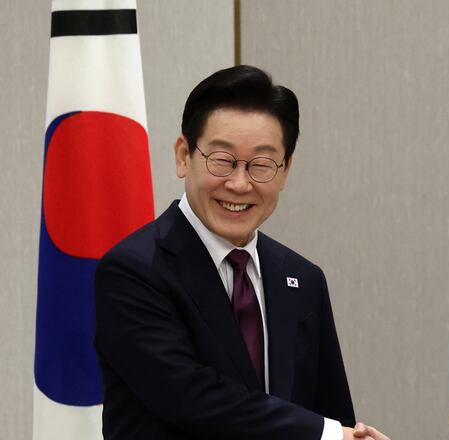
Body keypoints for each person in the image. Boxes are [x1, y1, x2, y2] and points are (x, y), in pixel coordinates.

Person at [95, 65, 388, 440]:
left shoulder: (303, 278)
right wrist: (327, 435)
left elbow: (330, 409)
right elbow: (189, 398)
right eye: (222, 160)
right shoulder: (133, 270)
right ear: (184, 155)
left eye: (261, 165)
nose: (239, 183)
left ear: (285, 171)